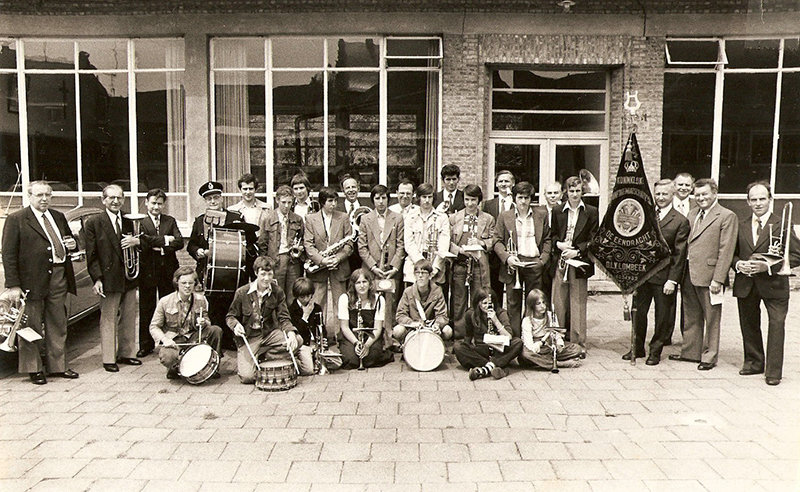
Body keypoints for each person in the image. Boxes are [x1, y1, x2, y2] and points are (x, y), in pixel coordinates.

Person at [1, 181, 79, 384]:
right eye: (39, 195)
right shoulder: (16, 219)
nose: (44, 199)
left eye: (48, 195)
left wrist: (72, 243)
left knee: (58, 323)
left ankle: (57, 366)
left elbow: (66, 241)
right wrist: (13, 285)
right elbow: (8, 254)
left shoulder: (58, 217)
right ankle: (33, 369)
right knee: (31, 325)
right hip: (31, 281)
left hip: (59, 276)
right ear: (29, 196)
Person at [731, 181, 800, 385]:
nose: (758, 203)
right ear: (748, 202)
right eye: (754, 199)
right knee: (749, 324)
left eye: (762, 198)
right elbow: (732, 254)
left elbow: (796, 255)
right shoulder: (741, 224)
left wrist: (767, 266)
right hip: (747, 283)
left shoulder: (783, 223)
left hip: (775, 284)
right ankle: (753, 362)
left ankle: (773, 372)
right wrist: (738, 264)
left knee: (776, 326)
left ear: (770, 200)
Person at [669, 178, 737, 371]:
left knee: (712, 317)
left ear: (714, 194)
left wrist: (718, 278)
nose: (701, 198)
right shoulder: (692, 214)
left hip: (711, 275)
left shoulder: (726, 216)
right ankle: (690, 352)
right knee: (691, 315)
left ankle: (709, 356)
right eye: (697, 195)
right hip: (689, 273)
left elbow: (726, 249)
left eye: (705, 194)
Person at [628, 179, 689, 365]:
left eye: (665, 194)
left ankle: (655, 350)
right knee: (638, 312)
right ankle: (637, 348)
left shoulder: (680, 221)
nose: (661, 198)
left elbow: (679, 254)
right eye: (658, 194)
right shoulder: (645, 215)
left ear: (672, 195)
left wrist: (673, 280)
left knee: (662, 316)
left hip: (664, 277)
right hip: (642, 275)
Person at [84, 184, 142, 372]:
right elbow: (91, 255)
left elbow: (136, 249)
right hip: (108, 278)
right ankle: (109, 358)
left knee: (128, 316)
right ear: (103, 200)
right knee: (108, 318)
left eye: (119, 198)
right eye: (111, 198)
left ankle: (127, 353)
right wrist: (97, 279)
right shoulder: (94, 222)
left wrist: (136, 242)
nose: (116, 201)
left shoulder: (128, 221)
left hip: (128, 277)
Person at [186, 181, 245, 347]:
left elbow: (246, 240)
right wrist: (198, 251)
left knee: (232, 303)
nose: (213, 201)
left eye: (216, 198)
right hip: (209, 270)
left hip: (231, 270)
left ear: (221, 198)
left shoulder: (235, 217)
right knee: (213, 305)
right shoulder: (200, 221)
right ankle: (216, 340)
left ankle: (231, 338)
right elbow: (191, 244)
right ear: (205, 201)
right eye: (209, 199)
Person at [226, 256, 301, 384]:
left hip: (268, 334)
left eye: (270, 274)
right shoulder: (242, 292)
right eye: (263, 274)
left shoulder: (277, 292)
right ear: (256, 273)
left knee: (297, 340)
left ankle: (267, 356)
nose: (267, 278)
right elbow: (230, 316)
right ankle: (263, 358)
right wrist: (235, 325)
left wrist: (290, 332)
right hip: (250, 338)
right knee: (247, 377)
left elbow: (283, 317)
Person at [493, 181, 551, 338]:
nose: (523, 202)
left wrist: (542, 260)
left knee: (534, 302)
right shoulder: (505, 216)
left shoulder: (541, 214)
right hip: (514, 264)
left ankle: (533, 337)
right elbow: (497, 240)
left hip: (534, 262)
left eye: (526, 198)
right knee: (513, 304)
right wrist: (507, 258)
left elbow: (547, 239)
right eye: (520, 197)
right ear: (514, 198)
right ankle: (516, 339)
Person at [149, 267, 223, 380]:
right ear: (177, 283)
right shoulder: (165, 301)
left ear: (195, 284)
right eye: (183, 283)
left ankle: (212, 366)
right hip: (174, 340)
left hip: (193, 337)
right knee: (168, 357)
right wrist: (165, 340)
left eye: (190, 283)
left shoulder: (201, 300)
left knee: (216, 330)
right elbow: (154, 327)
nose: (187, 286)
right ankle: (174, 367)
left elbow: (208, 321)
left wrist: (203, 323)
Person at [551, 176, 599, 349]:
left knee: (578, 301)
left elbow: (594, 239)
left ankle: (578, 342)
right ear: (566, 192)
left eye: (578, 191)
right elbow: (553, 235)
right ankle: (558, 339)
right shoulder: (557, 210)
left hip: (579, 260)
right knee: (559, 301)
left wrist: (577, 251)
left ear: (582, 192)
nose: (575, 194)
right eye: (571, 191)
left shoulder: (591, 211)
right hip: (561, 259)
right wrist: (559, 244)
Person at [136, 188, 184, 358]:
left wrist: (152, 242)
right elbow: (142, 242)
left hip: (168, 269)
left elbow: (179, 242)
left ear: (164, 205)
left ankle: (170, 340)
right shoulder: (140, 222)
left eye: (160, 203)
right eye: (153, 203)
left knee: (170, 307)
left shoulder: (169, 221)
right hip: (148, 270)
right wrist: (165, 240)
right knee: (146, 307)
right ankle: (145, 344)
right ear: (146, 203)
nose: (156, 206)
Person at [357, 184, 404, 346]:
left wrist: (394, 267)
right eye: (377, 198)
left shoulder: (397, 218)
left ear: (388, 199)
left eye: (384, 198)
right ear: (373, 200)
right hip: (372, 270)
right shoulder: (366, 219)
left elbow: (400, 245)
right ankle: (371, 337)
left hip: (390, 270)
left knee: (390, 304)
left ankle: (389, 339)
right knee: (371, 302)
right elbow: (362, 247)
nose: (381, 201)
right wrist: (373, 267)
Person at [304, 186, 354, 337]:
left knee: (340, 304)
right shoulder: (310, 219)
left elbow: (349, 244)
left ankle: (341, 338)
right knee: (318, 304)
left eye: (335, 201)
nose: (334, 204)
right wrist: (322, 260)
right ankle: (319, 337)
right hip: (319, 267)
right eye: (330, 201)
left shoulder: (344, 217)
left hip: (339, 267)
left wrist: (337, 258)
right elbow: (308, 244)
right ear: (322, 202)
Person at [449, 184, 495, 339]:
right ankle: (460, 337)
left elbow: (493, 241)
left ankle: (478, 336)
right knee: (459, 302)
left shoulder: (488, 219)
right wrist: (459, 250)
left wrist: (481, 243)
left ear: (479, 200)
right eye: (467, 199)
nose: (470, 203)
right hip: (461, 264)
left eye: (473, 200)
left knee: (480, 300)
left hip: (479, 265)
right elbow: (448, 241)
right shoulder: (454, 218)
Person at [453, 289, 522, 380]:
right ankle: (493, 366)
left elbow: (508, 336)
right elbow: (468, 337)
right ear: (478, 303)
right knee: (458, 346)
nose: (488, 307)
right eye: (484, 303)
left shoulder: (501, 313)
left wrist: (495, 320)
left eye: (490, 303)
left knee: (518, 342)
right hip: (482, 350)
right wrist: (466, 350)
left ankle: (483, 370)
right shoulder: (470, 314)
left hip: (498, 349)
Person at [337, 269, 394, 369]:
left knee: (371, 357)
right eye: (358, 283)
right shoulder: (345, 298)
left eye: (364, 282)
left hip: (371, 335)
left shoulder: (379, 299)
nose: (362, 286)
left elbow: (378, 328)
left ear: (370, 283)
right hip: (352, 335)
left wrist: (367, 345)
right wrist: (356, 343)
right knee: (351, 359)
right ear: (353, 285)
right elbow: (344, 327)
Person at [257, 185, 304, 305]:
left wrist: (300, 247)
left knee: (293, 295)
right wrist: (266, 263)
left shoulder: (297, 219)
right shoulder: (267, 218)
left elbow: (303, 239)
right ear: (277, 200)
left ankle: (291, 322)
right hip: (275, 261)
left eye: (289, 202)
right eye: (283, 202)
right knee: (275, 293)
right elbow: (262, 243)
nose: (287, 206)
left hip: (293, 262)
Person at [287, 277, 342, 375]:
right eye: (302, 297)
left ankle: (315, 362)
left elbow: (322, 329)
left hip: (315, 345)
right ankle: (293, 362)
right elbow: (297, 331)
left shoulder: (316, 308)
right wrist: (305, 316)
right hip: (303, 345)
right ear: (296, 296)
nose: (306, 299)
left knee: (338, 362)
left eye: (309, 296)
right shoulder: (292, 310)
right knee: (308, 370)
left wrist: (323, 342)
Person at [518, 289, 583, 369]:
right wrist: (544, 339)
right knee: (525, 355)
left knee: (577, 349)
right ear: (532, 306)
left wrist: (560, 344)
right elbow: (530, 347)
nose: (542, 306)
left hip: (548, 347)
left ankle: (543, 361)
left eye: (544, 302)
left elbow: (557, 333)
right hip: (536, 347)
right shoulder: (527, 321)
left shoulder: (550, 315)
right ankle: (560, 363)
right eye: (538, 304)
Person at [393, 259, 452, 344]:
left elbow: (442, 315)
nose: (420, 276)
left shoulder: (437, 291)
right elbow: (400, 315)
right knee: (397, 330)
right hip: (413, 327)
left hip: (431, 328)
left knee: (447, 330)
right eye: (417, 273)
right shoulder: (408, 292)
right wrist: (412, 323)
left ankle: (438, 347)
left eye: (423, 273)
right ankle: (406, 346)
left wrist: (437, 325)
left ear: (430, 275)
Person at [402, 183, 450, 286]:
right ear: (418, 198)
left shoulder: (442, 217)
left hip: (435, 271)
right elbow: (409, 244)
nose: (427, 200)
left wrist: (435, 268)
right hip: (413, 269)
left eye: (430, 197)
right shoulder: (410, 217)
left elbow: (444, 245)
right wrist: (421, 266)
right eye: (424, 197)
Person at [481, 170, 515, 306]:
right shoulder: (488, 204)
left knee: (513, 294)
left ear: (512, 183)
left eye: (507, 181)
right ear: (496, 184)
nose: (503, 184)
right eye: (500, 181)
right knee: (495, 291)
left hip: (512, 252)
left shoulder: (517, 203)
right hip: (494, 254)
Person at [336, 174, 370, 274]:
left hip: (362, 253)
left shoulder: (367, 208)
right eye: (347, 188)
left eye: (353, 187)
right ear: (343, 191)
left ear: (358, 188)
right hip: (343, 254)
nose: (351, 190)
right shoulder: (337, 209)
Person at [540, 181, 563, 304]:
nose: (552, 196)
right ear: (544, 195)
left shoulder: (565, 211)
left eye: (556, 192)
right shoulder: (539, 212)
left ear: (561, 194)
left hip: (559, 256)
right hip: (544, 256)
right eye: (549, 193)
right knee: (544, 290)